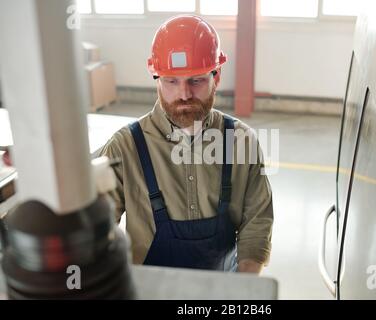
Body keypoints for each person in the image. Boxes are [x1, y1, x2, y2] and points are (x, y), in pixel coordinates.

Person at [99, 15, 273, 274]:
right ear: (156, 78)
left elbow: (257, 221)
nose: (184, 94)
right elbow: (97, 234)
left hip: (222, 293)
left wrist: (242, 288)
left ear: (217, 75)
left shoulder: (241, 142)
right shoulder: (124, 148)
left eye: (197, 80)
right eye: (171, 81)